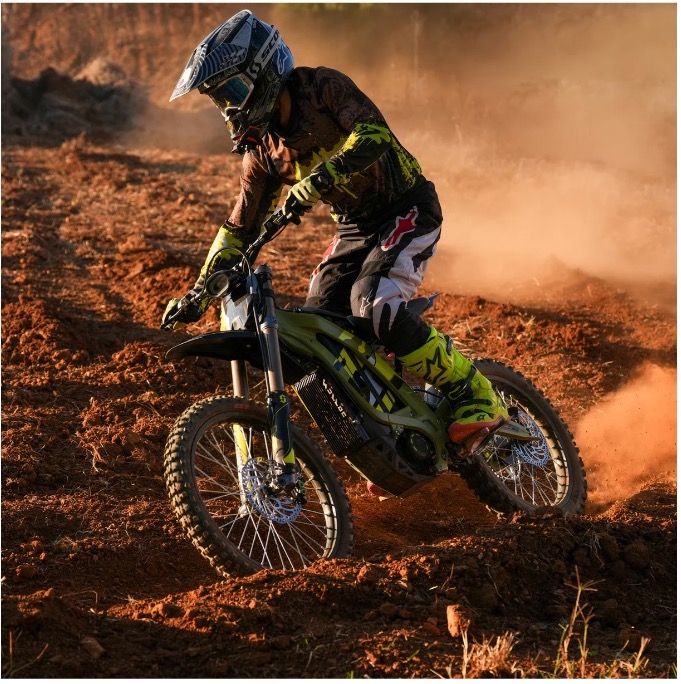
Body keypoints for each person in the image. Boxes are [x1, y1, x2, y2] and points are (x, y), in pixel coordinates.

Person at [161, 9, 508, 445]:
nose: (229, 107)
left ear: (261, 73)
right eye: (220, 98)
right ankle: (387, 426)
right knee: (318, 330)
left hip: (406, 207)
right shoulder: (263, 152)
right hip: (354, 229)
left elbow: (374, 134)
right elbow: (239, 228)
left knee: (374, 304)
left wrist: (323, 176)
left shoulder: (322, 89)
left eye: (233, 91)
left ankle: (475, 392)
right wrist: (198, 291)